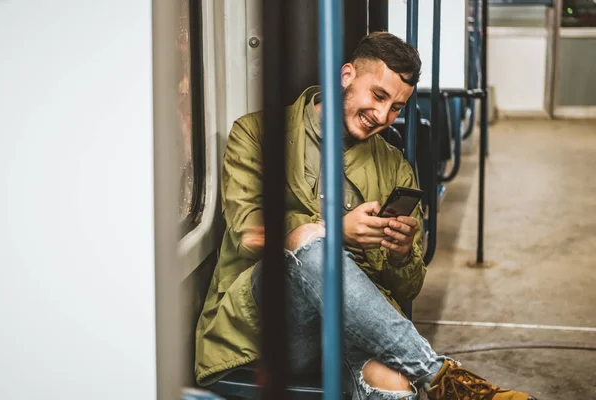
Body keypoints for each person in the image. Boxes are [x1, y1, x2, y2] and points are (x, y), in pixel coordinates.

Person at [195, 32, 536, 400]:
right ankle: (439, 375)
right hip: (275, 325)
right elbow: (249, 235)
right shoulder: (257, 134)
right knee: (311, 240)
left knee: (393, 381)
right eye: (378, 95)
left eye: (397, 107)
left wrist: (402, 253)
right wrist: (336, 232)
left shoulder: (394, 166)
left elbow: (408, 288)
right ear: (346, 77)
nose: (383, 116)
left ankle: (437, 380)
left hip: (353, 328)